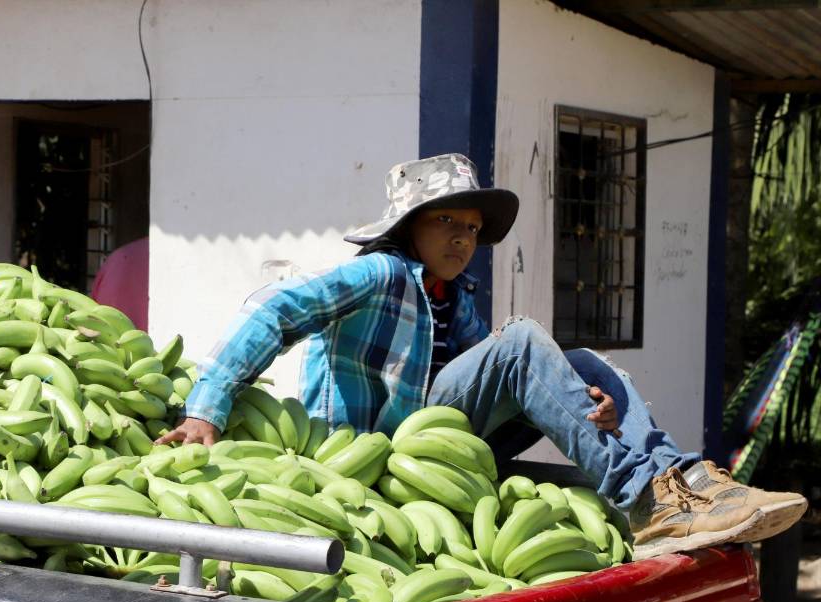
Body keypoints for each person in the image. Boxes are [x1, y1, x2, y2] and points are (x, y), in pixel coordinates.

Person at [155, 153, 806, 559]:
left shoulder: (454, 299)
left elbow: (503, 382)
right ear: (411, 226)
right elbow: (274, 308)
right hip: (372, 448)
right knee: (522, 342)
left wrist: (586, 405)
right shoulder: (377, 275)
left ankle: (684, 482)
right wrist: (208, 408)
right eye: (447, 223)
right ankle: (642, 501)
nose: (463, 239)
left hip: (443, 446)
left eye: (470, 229)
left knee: (582, 363)